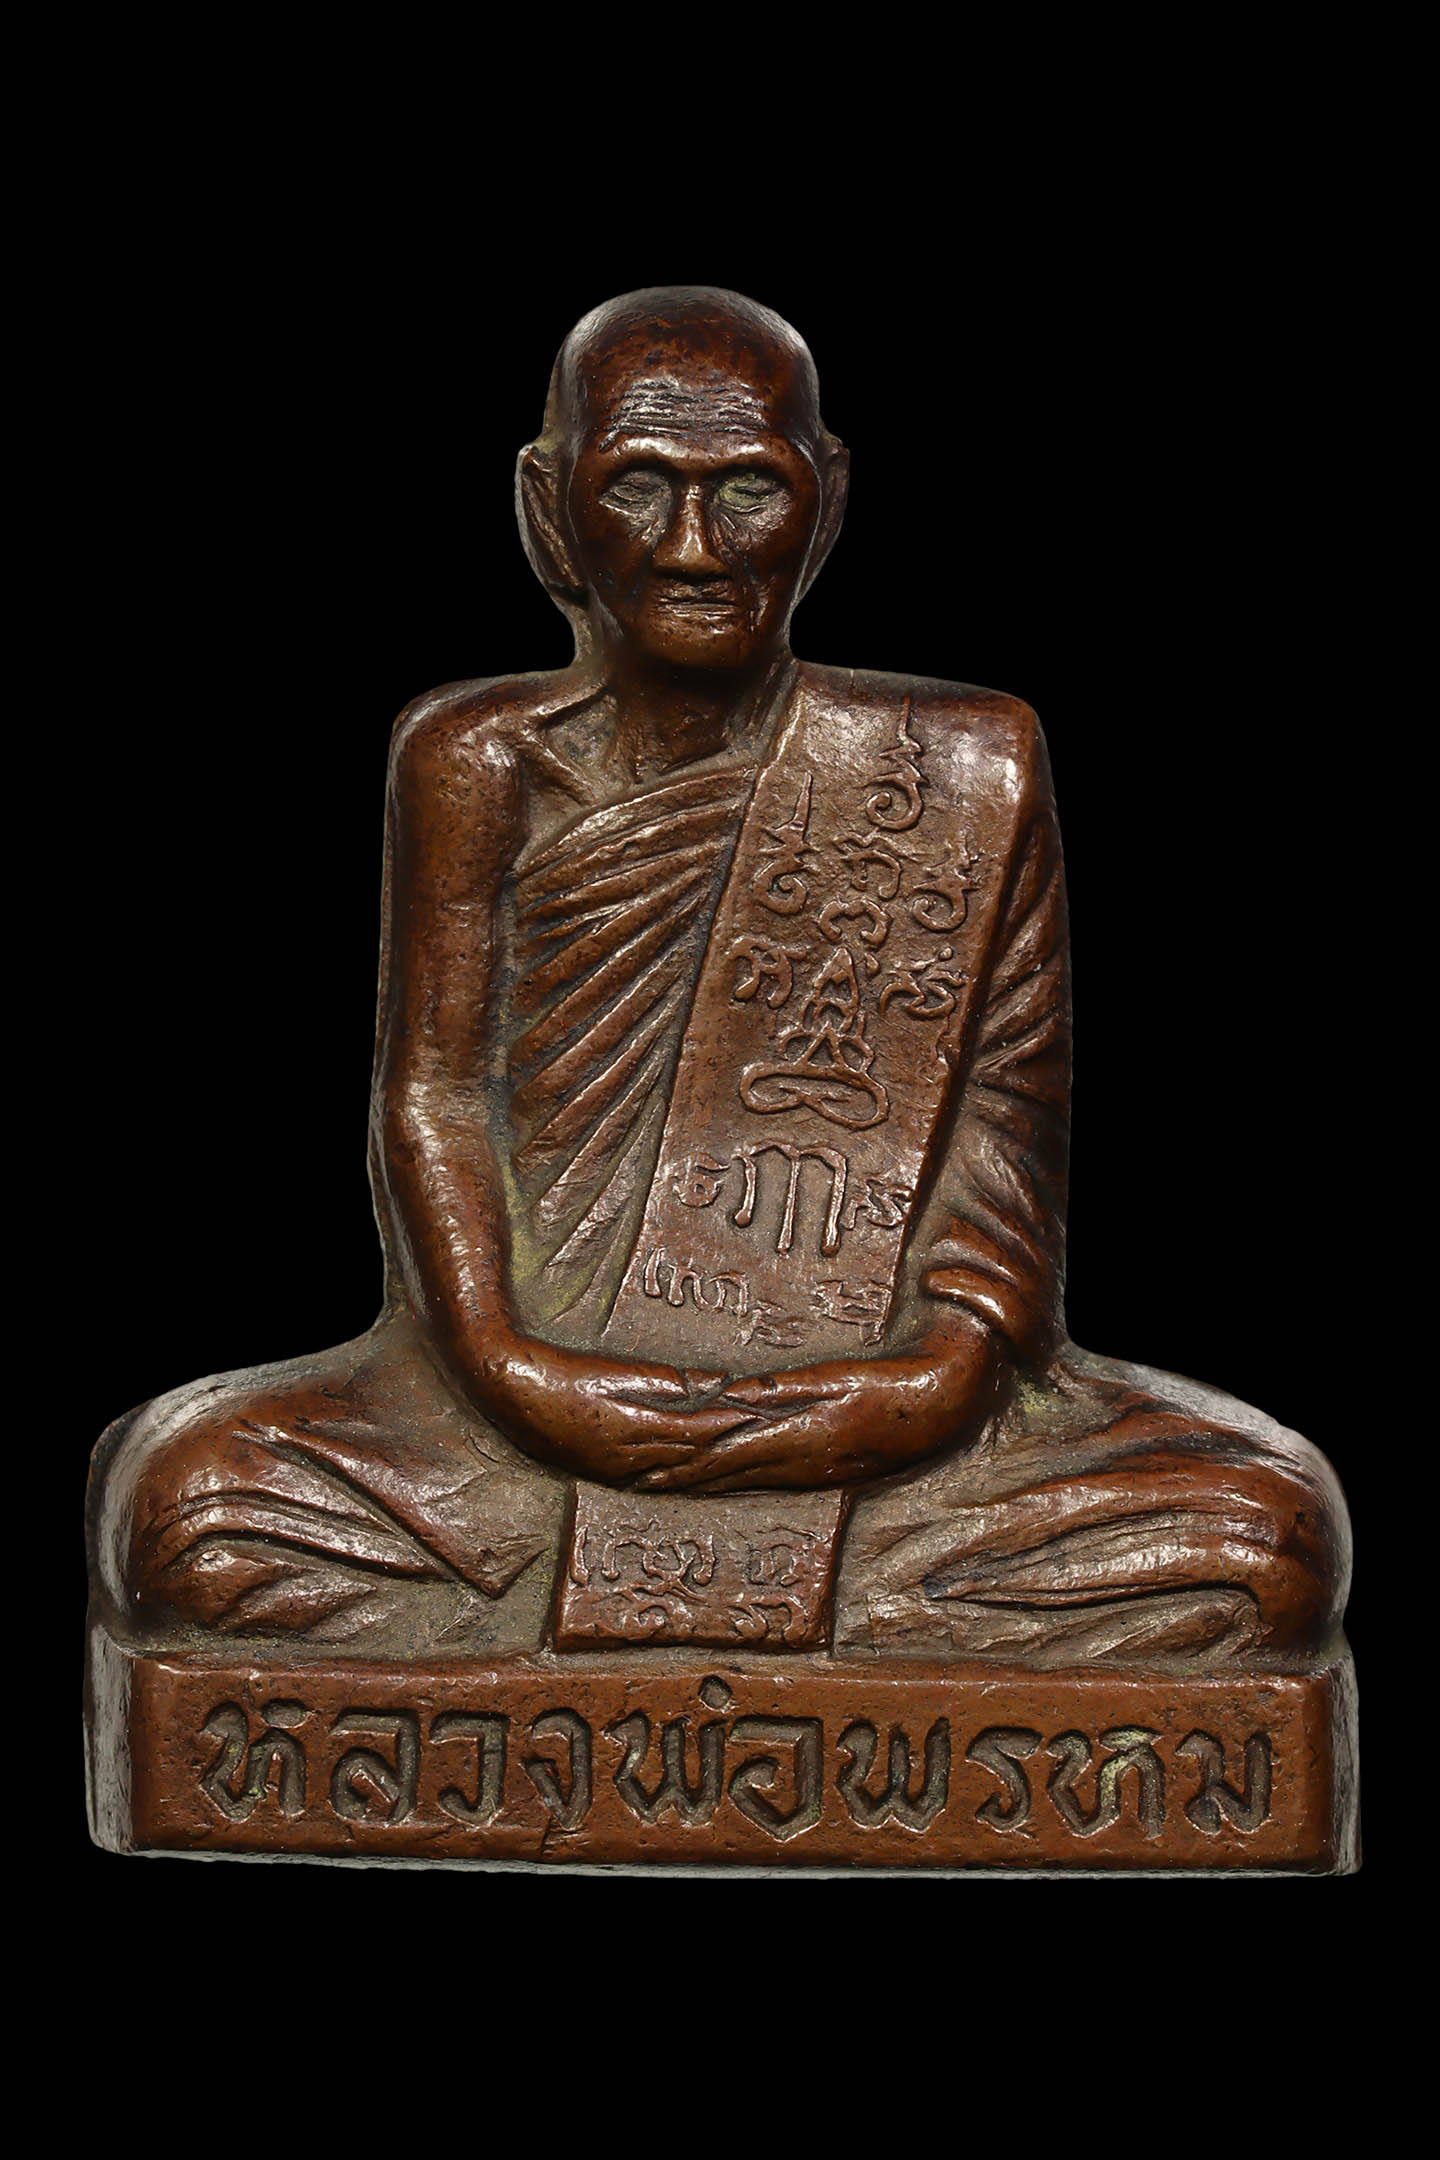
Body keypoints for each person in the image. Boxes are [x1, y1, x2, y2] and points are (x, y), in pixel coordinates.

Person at [88, 287, 1348, 1666]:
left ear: (830, 500)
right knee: (192, 1513)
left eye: (751, 488)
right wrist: (510, 1371)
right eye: (638, 486)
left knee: (1265, 1540)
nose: (695, 547)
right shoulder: (477, 762)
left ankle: (762, 1614)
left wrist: (935, 1382)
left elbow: (1005, 1123)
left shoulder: (963, 769)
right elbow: (437, 1096)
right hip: (523, 1414)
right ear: (548, 511)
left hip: (882, 1422)